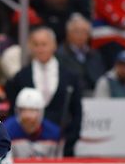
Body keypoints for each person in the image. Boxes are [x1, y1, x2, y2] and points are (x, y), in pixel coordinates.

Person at [5, 27, 82, 156]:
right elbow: (14, 110)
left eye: (44, 44)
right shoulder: (21, 76)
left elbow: (76, 113)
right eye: (36, 44)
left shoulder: (69, 76)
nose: (40, 49)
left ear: (54, 45)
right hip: (24, 147)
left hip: (60, 144)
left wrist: (68, 141)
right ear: (30, 47)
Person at [3, 87, 62, 157]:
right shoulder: (6, 131)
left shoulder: (54, 133)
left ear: (41, 113)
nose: (28, 116)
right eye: (24, 110)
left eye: (33, 110)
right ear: (17, 112)